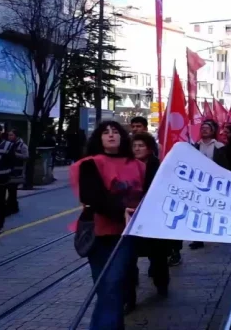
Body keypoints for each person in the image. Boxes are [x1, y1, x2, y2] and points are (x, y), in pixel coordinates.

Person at [73, 121, 148, 329]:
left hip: (127, 233)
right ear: (99, 138)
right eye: (106, 132)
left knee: (115, 286)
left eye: (115, 131)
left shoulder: (138, 165)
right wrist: (119, 211)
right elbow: (91, 196)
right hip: (99, 234)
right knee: (107, 287)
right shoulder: (90, 164)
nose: (111, 135)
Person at [124, 133, 169, 312]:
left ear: (149, 148)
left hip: (153, 217)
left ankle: (162, 284)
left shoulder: (158, 166)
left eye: (141, 145)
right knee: (128, 258)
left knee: (157, 255)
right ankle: (129, 297)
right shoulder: (126, 165)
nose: (137, 149)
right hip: (131, 217)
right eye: (134, 145)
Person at [190, 120, 229, 250]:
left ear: (212, 131)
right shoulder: (195, 146)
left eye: (207, 128)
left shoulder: (219, 146)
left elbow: (224, 166)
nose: (204, 130)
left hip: (214, 183)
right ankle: (198, 238)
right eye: (202, 128)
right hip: (199, 183)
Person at [6, 129, 29, 216]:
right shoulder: (8, 145)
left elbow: (26, 156)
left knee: (12, 190)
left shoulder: (22, 145)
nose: (9, 137)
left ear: (16, 136)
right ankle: (14, 207)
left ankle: (9, 208)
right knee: (11, 190)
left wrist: (15, 154)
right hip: (9, 171)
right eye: (9, 135)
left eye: (11, 135)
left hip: (17, 172)